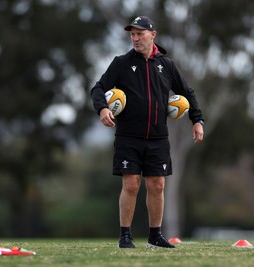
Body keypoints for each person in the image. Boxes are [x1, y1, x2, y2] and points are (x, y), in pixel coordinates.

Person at [90, 16, 204, 249]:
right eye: (132, 34)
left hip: (158, 137)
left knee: (157, 185)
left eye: (140, 33)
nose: (135, 38)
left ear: (153, 35)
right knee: (131, 184)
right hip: (128, 136)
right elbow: (98, 88)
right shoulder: (121, 63)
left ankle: (155, 235)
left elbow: (188, 92)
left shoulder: (167, 65)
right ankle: (125, 236)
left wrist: (197, 120)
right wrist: (102, 108)